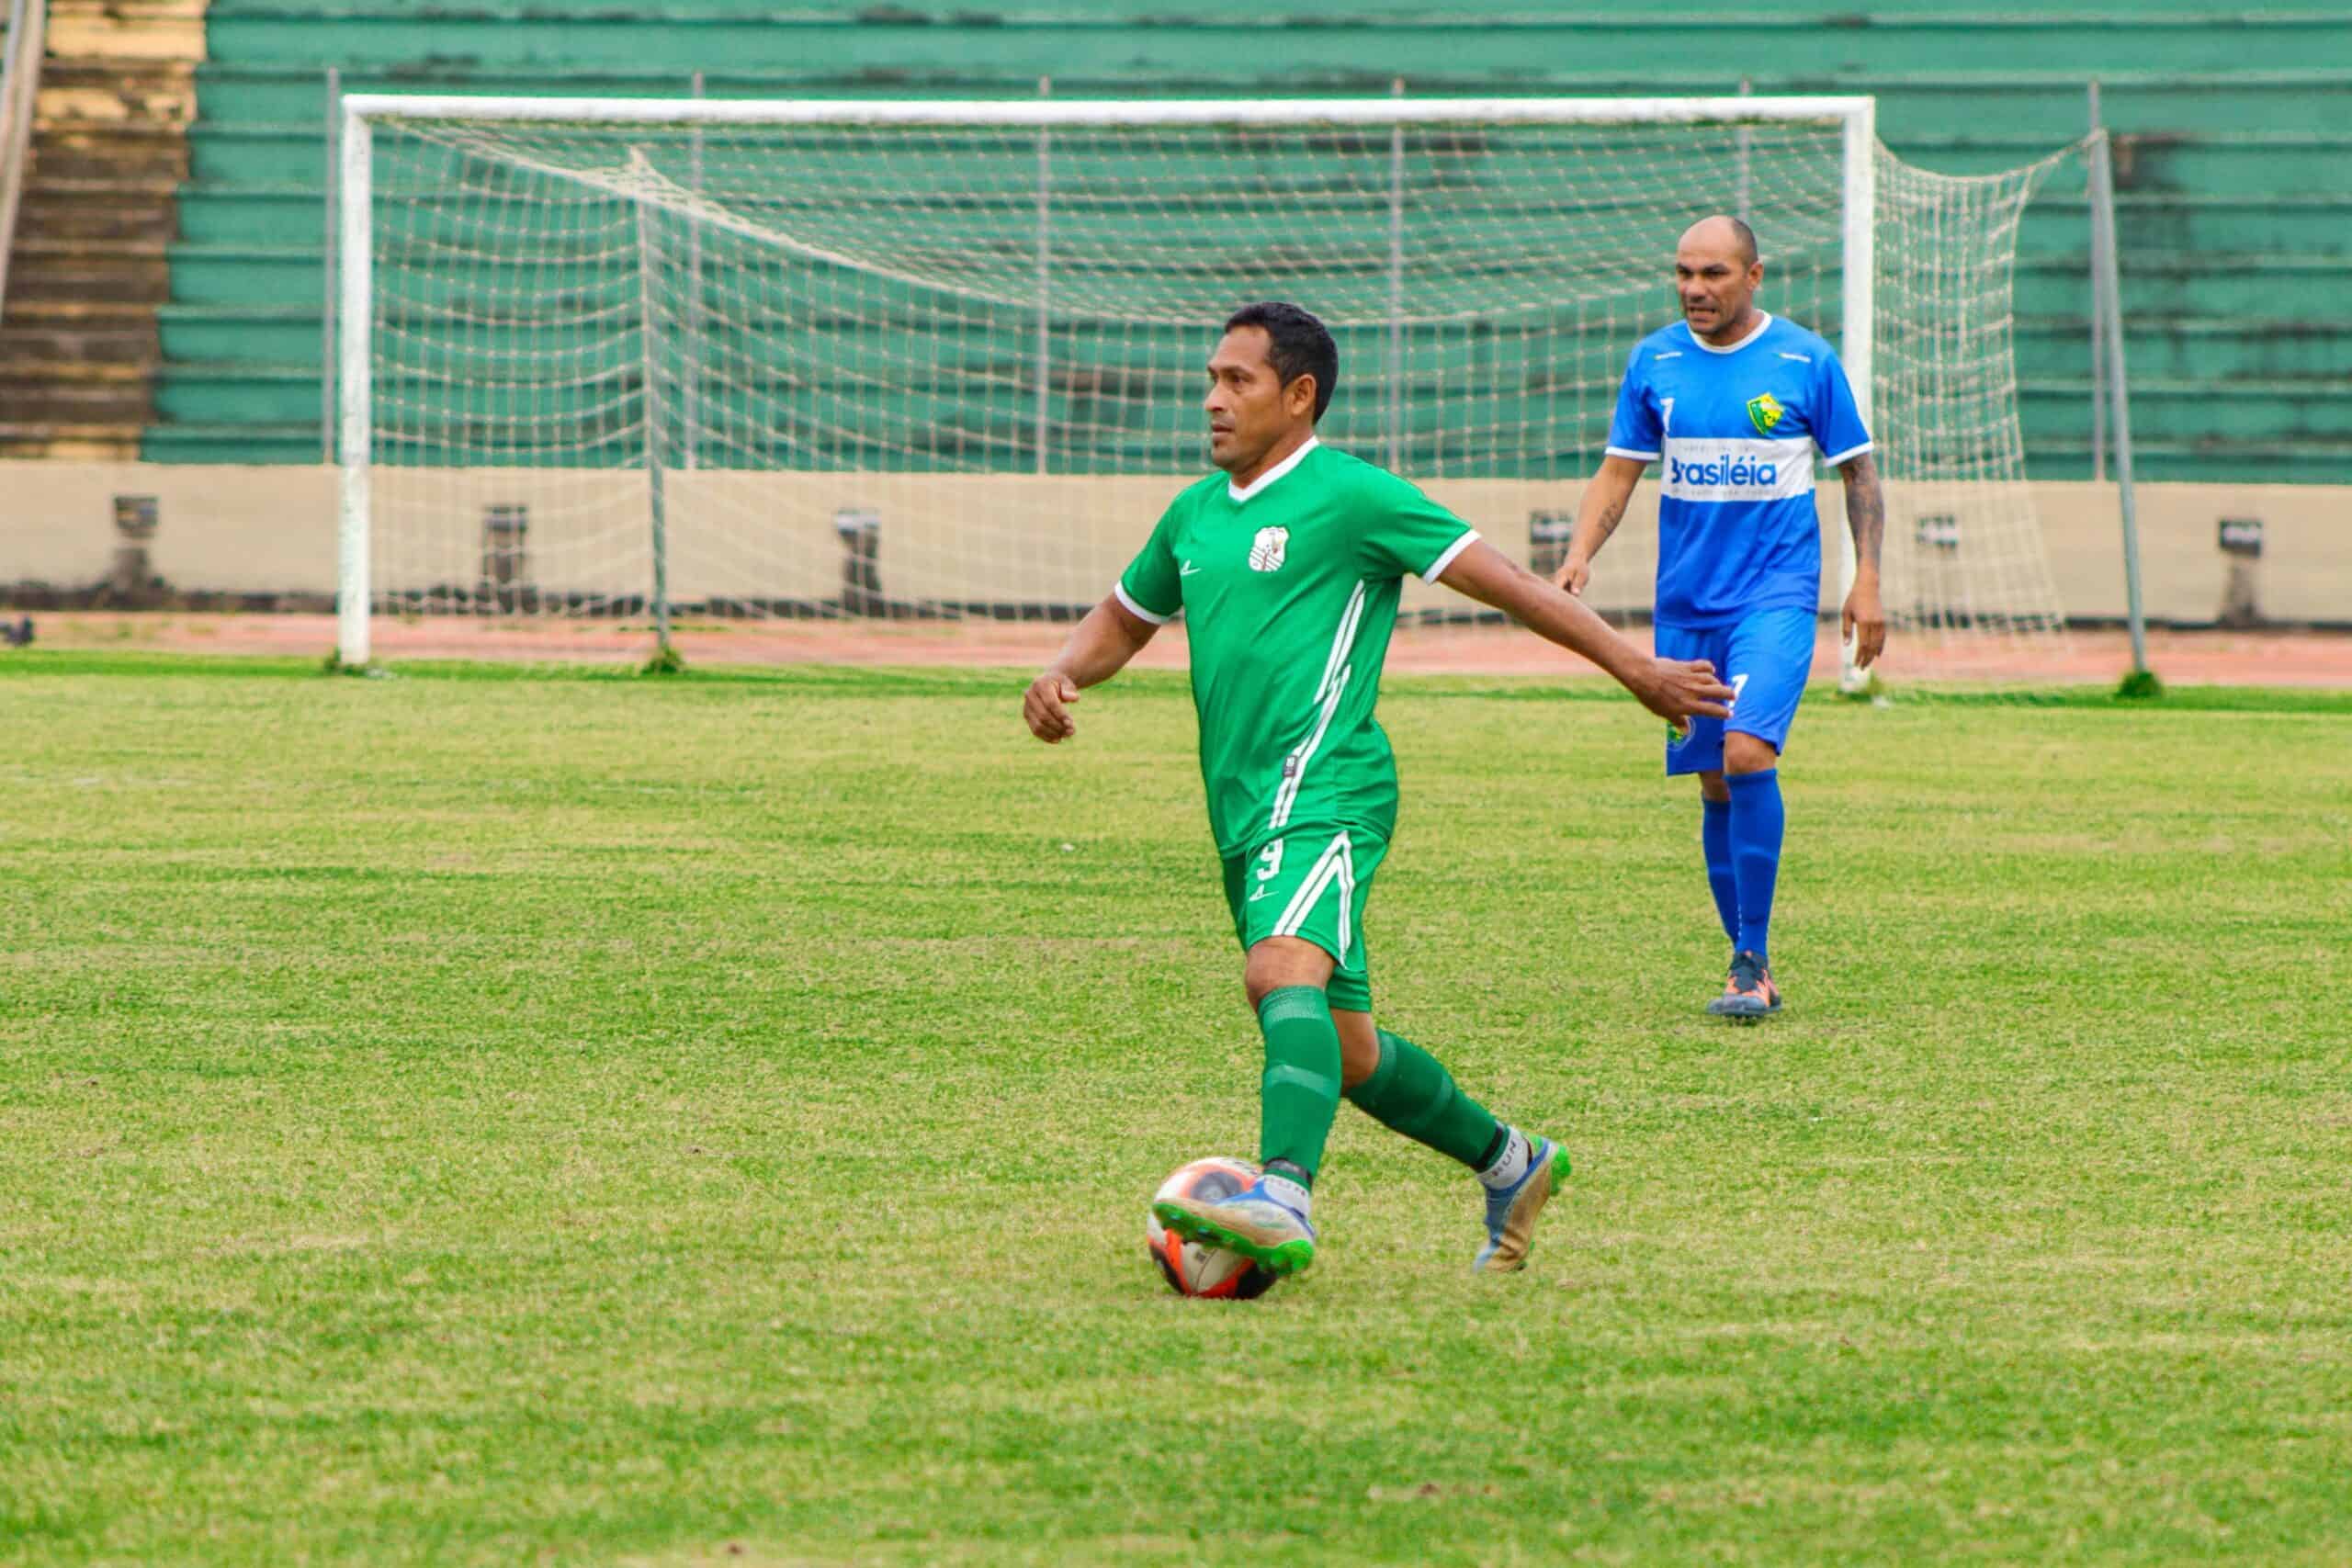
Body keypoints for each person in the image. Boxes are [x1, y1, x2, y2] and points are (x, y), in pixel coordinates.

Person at [1022, 300, 1732, 1279]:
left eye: (1237, 380)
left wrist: (1636, 668)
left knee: (1278, 971)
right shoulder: (1193, 513)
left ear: (1299, 395)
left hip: (1327, 786)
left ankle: (1281, 1194)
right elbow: (1123, 615)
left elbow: (1514, 586)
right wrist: (1063, 671)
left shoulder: (1354, 496)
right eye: (1212, 379)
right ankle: (1511, 1161)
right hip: (1244, 808)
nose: (1213, 399)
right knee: (1346, 1052)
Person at [1553, 216, 1887, 1021]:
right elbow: (1617, 473)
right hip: (1686, 603)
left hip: (1775, 594)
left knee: (1745, 752)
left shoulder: (1804, 360)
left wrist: (1868, 579)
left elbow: (1859, 474)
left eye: (1713, 274)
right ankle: (1742, 956)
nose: (1694, 289)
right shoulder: (1655, 360)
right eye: (1683, 273)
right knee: (1712, 778)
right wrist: (1578, 553)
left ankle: (1753, 957)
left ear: (1754, 276)